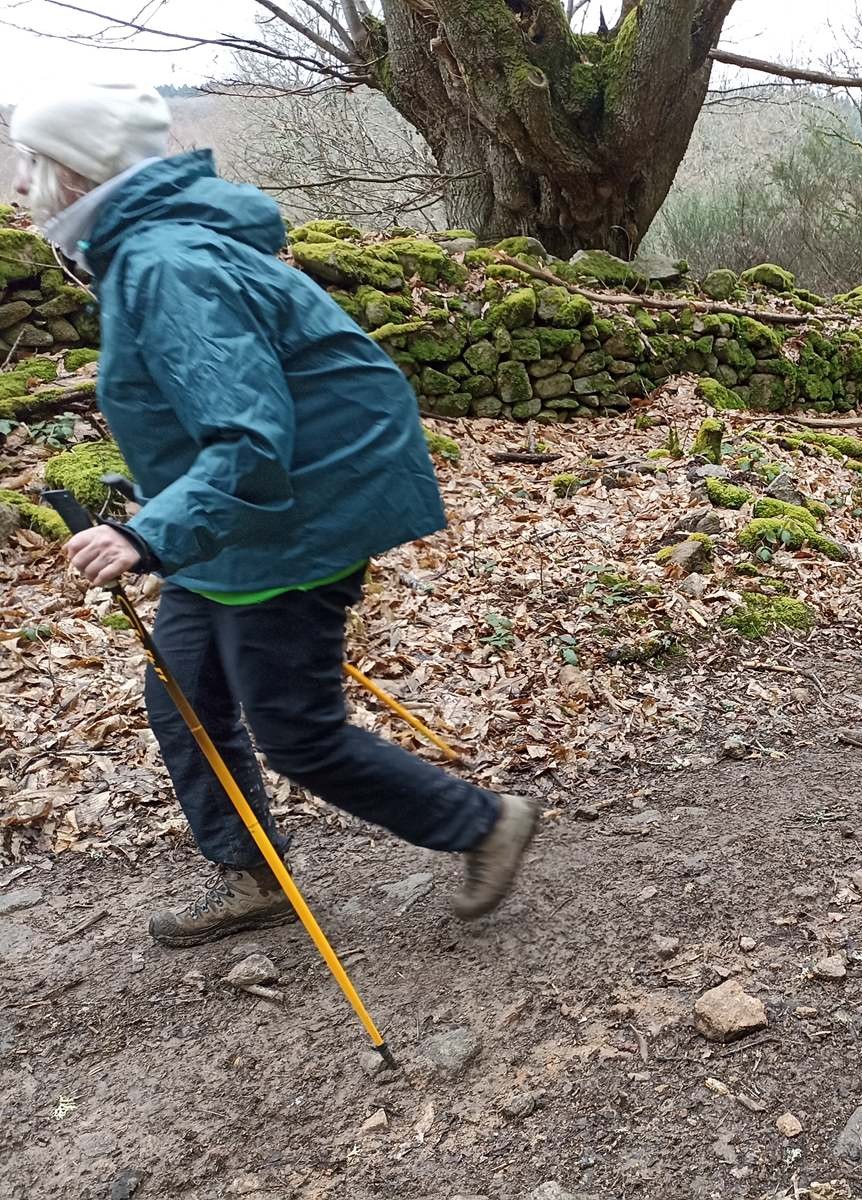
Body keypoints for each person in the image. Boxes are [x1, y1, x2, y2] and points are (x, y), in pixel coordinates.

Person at [10, 84, 540, 946]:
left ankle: (483, 823)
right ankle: (251, 874)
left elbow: (249, 440)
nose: (19, 187)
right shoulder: (141, 251)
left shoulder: (168, 264)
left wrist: (145, 533)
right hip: (230, 531)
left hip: (294, 521)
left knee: (297, 734)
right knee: (183, 697)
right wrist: (162, 510)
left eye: (30, 164)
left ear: (75, 172)